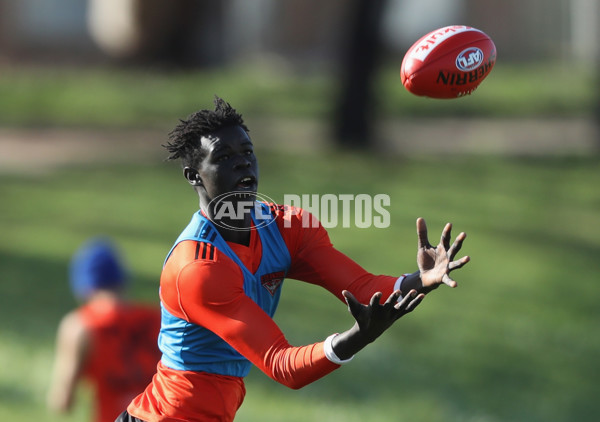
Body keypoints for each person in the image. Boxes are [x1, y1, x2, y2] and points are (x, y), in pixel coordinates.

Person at [117, 97, 470, 422]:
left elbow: (363, 288)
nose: (241, 161)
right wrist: (359, 336)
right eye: (223, 157)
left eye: (247, 151)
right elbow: (283, 365)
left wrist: (421, 279)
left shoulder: (288, 227)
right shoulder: (197, 268)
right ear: (194, 175)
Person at [47, 238, 162, 422]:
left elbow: (62, 401)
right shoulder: (158, 318)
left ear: (82, 287)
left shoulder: (80, 326)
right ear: (122, 280)